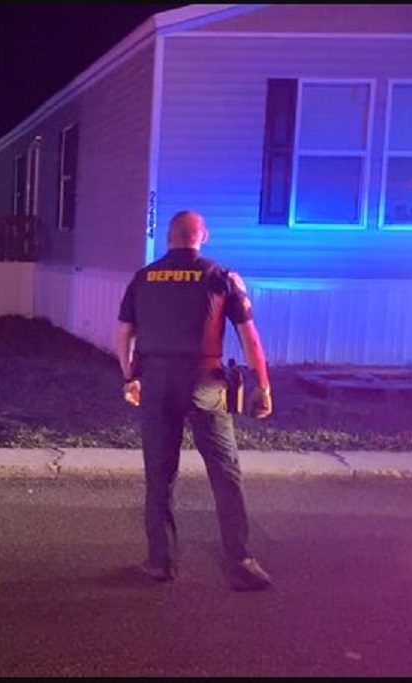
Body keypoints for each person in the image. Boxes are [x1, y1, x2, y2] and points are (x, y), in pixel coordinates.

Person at [115, 209, 274, 592]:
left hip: (157, 384)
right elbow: (249, 338)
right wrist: (263, 386)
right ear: (202, 236)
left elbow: (123, 335)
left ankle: (160, 562)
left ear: (169, 237)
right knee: (224, 472)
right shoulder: (221, 277)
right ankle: (241, 562)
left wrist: (130, 378)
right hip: (205, 383)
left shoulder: (143, 278)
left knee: (159, 475)